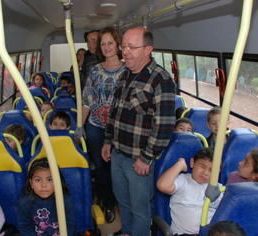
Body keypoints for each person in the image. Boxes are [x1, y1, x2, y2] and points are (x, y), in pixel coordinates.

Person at [101, 26, 176, 236]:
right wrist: (108, 141)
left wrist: (147, 157)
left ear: (147, 49)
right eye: (123, 46)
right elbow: (114, 113)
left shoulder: (161, 80)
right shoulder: (125, 74)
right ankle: (126, 232)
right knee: (123, 202)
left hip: (139, 161)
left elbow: (164, 126)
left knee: (140, 209)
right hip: (117, 154)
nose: (125, 52)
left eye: (131, 47)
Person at [82, 27, 125, 224]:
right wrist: (79, 126)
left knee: (117, 168)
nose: (106, 47)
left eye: (110, 43)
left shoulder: (129, 71)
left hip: (120, 130)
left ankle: (118, 201)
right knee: (100, 167)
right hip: (95, 127)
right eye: (103, 43)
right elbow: (86, 101)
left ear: (118, 45)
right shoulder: (94, 71)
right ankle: (106, 202)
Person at [157, 147, 223, 235]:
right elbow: (162, 185)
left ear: (217, 172)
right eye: (202, 166)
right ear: (192, 163)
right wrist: (180, 164)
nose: (205, 173)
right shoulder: (183, 181)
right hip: (183, 234)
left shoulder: (218, 188)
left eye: (212, 170)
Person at [18, 157, 75, 236]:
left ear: (58, 181)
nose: (43, 185)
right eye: (38, 180)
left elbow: (70, 225)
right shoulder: (25, 203)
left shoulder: (65, 201)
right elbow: (25, 228)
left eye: (49, 180)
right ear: (31, 183)